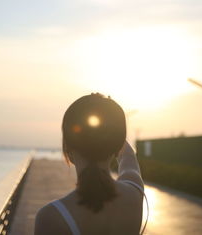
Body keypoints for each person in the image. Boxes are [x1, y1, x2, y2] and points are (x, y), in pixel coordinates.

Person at [34, 93, 145, 235]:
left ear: (68, 149)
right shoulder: (134, 192)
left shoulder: (53, 216)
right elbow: (128, 157)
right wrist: (110, 126)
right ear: (116, 145)